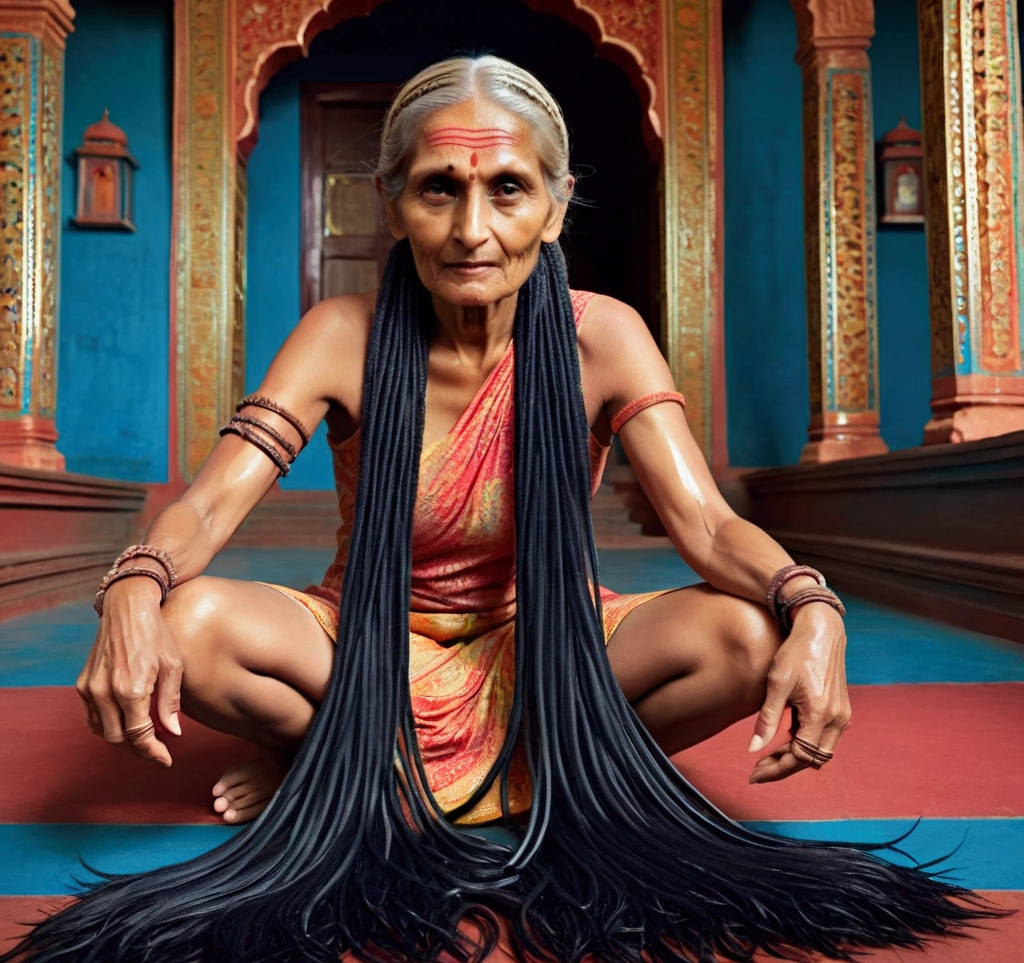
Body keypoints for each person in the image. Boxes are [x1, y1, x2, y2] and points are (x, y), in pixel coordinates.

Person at [4, 56, 1001, 963]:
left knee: (745, 634)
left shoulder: (602, 336)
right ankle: (366, 761)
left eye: (507, 189)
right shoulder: (339, 334)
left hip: (550, 651)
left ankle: (358, 779)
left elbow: (705, 527)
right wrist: (133, 588)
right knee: (189, 622)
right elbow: (215, 500)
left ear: (556, 207)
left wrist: (812, 606)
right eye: (440, 188)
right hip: (368, 649)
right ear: (392, 201)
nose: (471, 228)